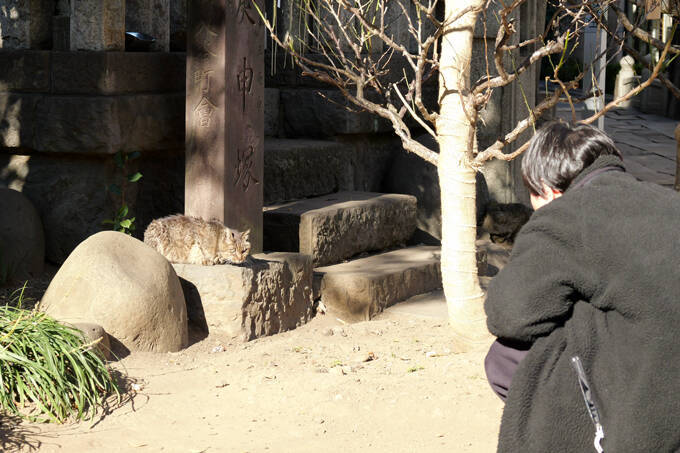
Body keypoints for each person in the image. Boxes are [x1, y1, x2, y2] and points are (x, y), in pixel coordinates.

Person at [483, 121, 680, 452]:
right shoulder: (668, 201)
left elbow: (507, 313)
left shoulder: (565, 216)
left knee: (503, 357)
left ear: (547, 190)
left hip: (645, 411)